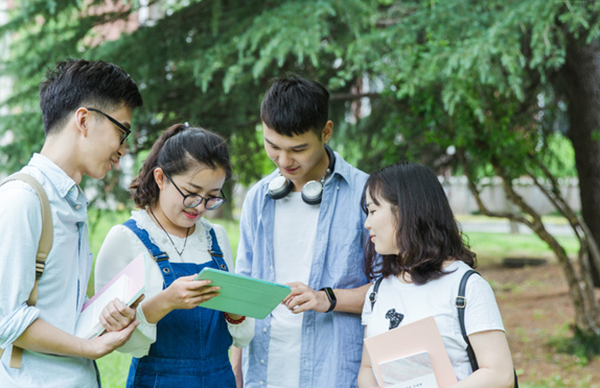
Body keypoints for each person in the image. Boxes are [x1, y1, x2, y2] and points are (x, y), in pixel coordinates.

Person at [0, 59, 144, 387]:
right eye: (122, 131)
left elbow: (58, 309)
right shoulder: (23, 199)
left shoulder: (70, 201)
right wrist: (89, 347)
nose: (124, 149)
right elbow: (6, 319)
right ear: (84, 120)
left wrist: (103, 315)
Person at [232, 75, 371, 388]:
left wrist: (327, 299)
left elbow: (393, 291)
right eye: (273, 146)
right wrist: (236, 374)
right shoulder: (258, 197)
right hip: (265, 372)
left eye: (298, 149)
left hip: (335, 374)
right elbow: (244, 298)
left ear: (326, 132)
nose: (284, 161)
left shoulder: (367, 194)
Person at [94, 123, 255, 387]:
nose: (200, 207)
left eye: (212, 197)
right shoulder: (126, 240)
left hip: (220, 377)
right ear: (161, 178)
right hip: (159, 380)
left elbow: (243, 336)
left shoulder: (216, 237)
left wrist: (236, 313)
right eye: (191, 194)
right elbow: (110, 339)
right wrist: (165, 302)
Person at [357, 162, 516, 388]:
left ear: (406, 211)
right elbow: (367, 368)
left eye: (373, 211)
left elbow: (500, 375)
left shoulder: (466, 287)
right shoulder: (377, 292)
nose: (367, 223)